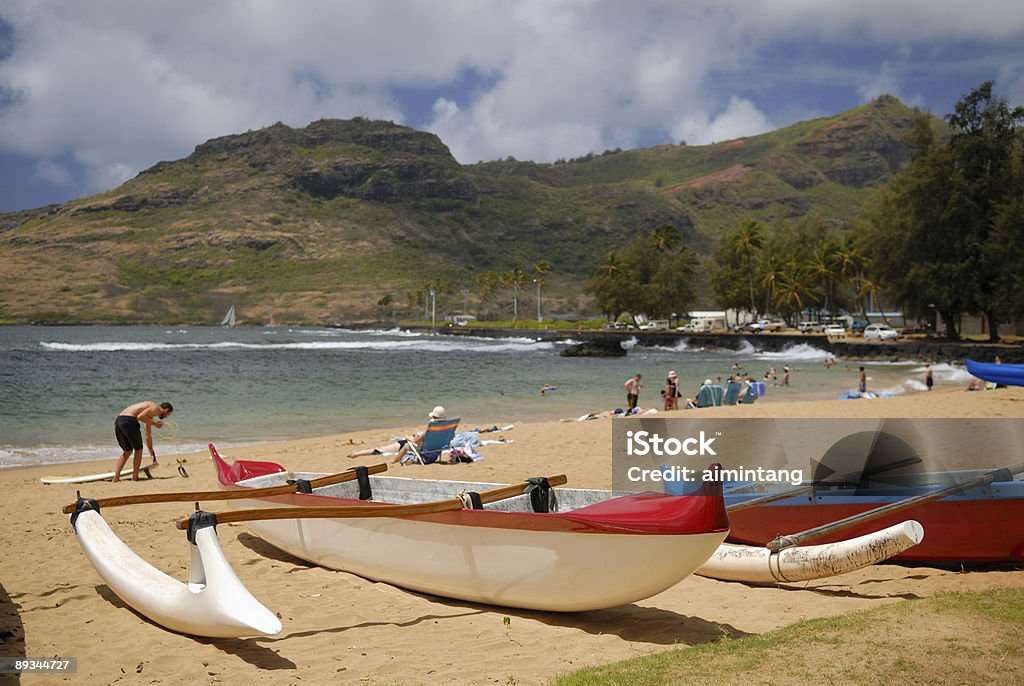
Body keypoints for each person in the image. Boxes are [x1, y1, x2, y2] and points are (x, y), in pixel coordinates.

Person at [111, 400, 173, 482]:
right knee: (138, 450)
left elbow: (148, 435)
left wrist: (152, 453)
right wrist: (155, 424)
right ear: (166, 409)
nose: (166, 417)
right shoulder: (155, 408)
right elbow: (140, 417)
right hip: (129, 421)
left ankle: (116, 478)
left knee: (127, 451)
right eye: (168, 414)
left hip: (119, 420)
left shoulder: (150, 414)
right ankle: (135, 477)